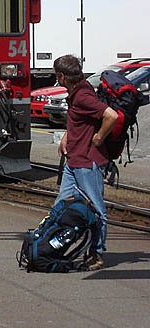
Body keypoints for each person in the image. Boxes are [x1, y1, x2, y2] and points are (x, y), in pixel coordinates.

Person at [53, 54, 118, 271]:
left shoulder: (82, 96)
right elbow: (80, 122)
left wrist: (99, 137)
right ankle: (54, 247)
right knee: (61, 205)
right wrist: (66, 137)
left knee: (97, 210)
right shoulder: (78, 91)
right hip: (74, 160)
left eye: (56, 76)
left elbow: (112, 116)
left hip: (88, 163)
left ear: (62, 76)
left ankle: (96, 253)